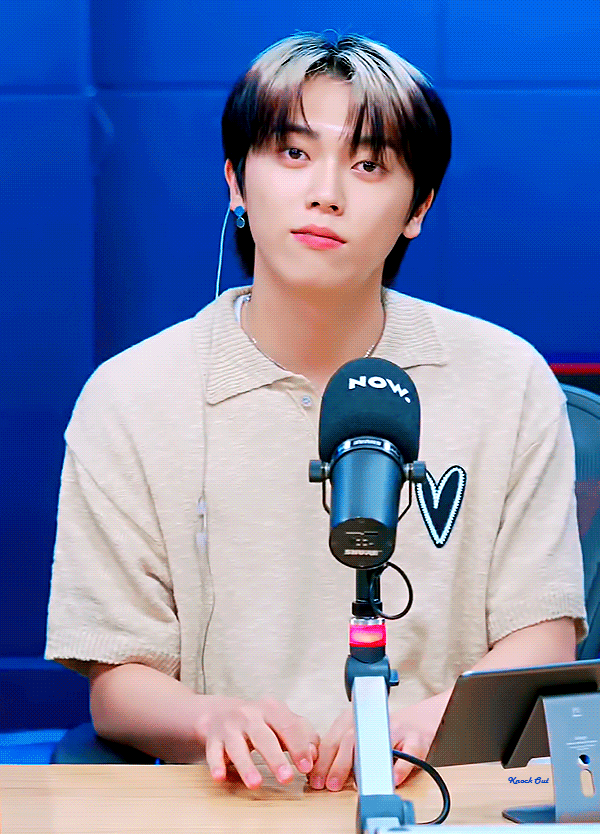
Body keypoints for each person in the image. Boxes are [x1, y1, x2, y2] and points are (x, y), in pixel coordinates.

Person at [45, 31, 587, 793]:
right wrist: (210, 719)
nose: (326, 192)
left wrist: (424, 725)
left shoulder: (507, 379)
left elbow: (545, 635)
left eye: (368, 165)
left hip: (444, 795)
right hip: (237, 804)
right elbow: (117, 684)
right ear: (236, 181)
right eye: (293, 153)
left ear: (418, 209)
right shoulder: (131, 396)